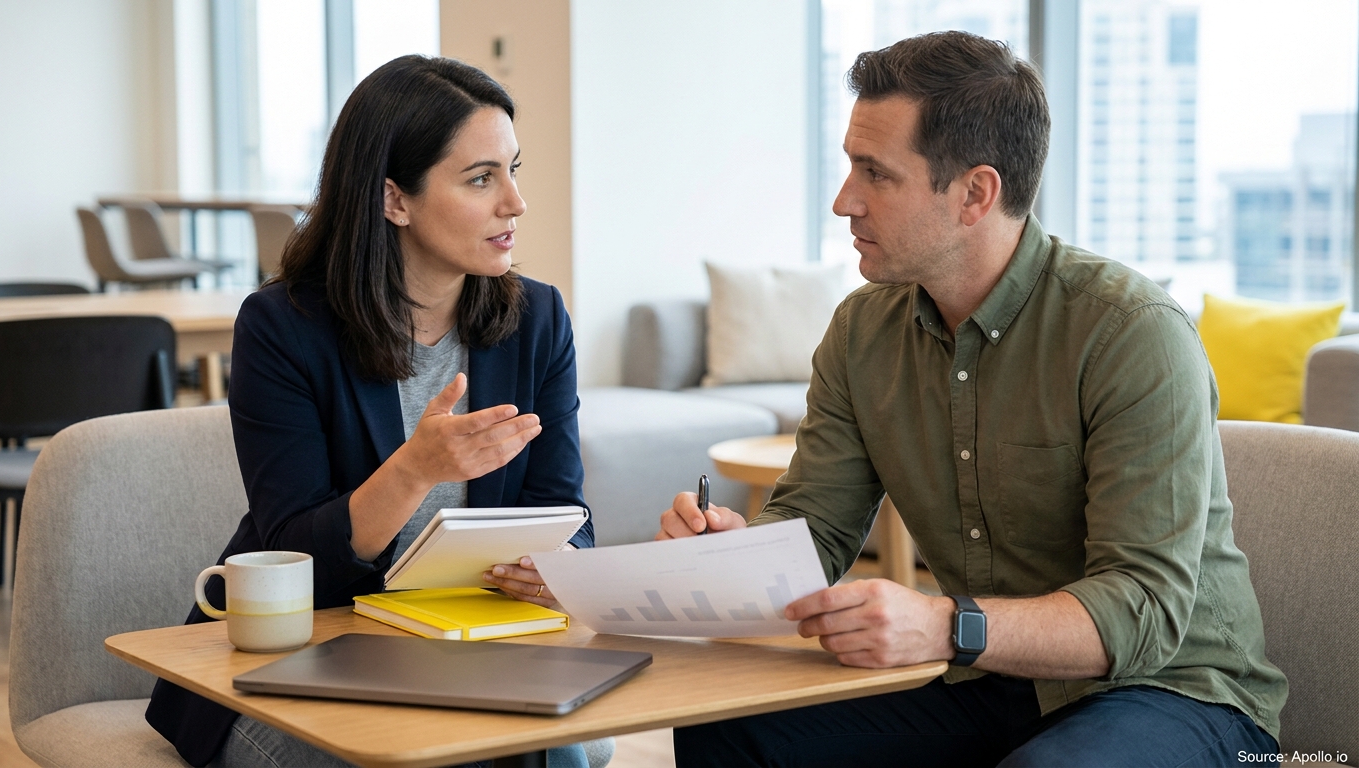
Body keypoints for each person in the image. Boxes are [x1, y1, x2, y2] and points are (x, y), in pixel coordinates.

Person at [660, 32, 1287, 767]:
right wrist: (737, 557)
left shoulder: (1130, 333)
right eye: (849, 165)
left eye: (875, 173)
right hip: (991, 679)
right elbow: (816, 530)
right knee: (725, 724)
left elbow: (1142, 610)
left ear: (975, 194)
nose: (843, 201)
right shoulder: (862, 333)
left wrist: (942, 625)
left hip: (1176, 691)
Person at [145, 56, 607, 768]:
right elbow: (297, 552)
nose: (515, 202)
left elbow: (564, 512)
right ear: (395, 199)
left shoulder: (538, 318)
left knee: (561, 751)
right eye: (481, 178)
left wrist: (559, 568)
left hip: (475, 649)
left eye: (514, 170)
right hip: (305, 652)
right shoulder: (283, 327)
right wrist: (413, 472)